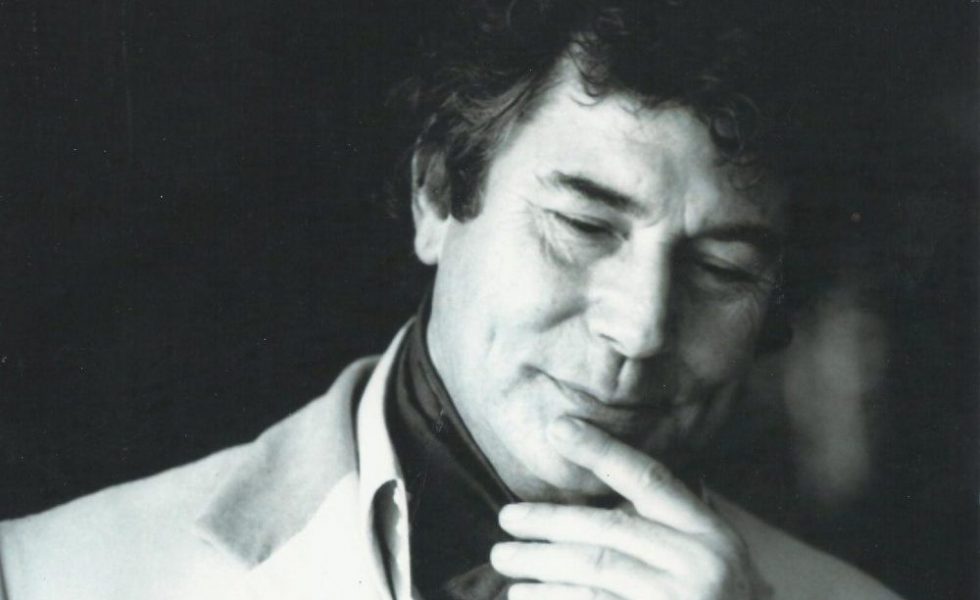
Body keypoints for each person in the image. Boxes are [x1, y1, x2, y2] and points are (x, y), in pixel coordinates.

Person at [0, 1, 903, 598]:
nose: (640, 328)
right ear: (437, 197)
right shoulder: (50, 576)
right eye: (583, 225)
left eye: (723, 269)